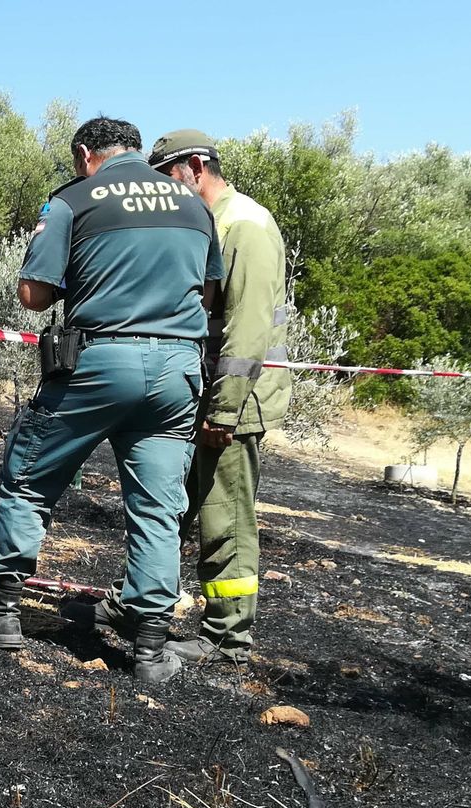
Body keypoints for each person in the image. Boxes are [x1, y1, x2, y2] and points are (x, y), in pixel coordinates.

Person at [0, 117, 223, 684]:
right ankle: (150, 647)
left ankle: (2, 612)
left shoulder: (74, 200)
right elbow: (208, 292)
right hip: (177, 370)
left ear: (84, 154)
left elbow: (33, 295)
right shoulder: (194, 205)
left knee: (29, 478)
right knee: (158, 507)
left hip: (99, 363)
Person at [148, 129, 291, 664]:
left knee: (224, 517)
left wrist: (225, 410)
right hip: (203, 396)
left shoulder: (245, 225)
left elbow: (247, 331)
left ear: (195, 167)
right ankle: (140, 605)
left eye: (166, 177)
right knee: (175, 506)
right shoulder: (208, 222)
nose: (163, 191)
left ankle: (226, 638)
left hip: (234, 403)